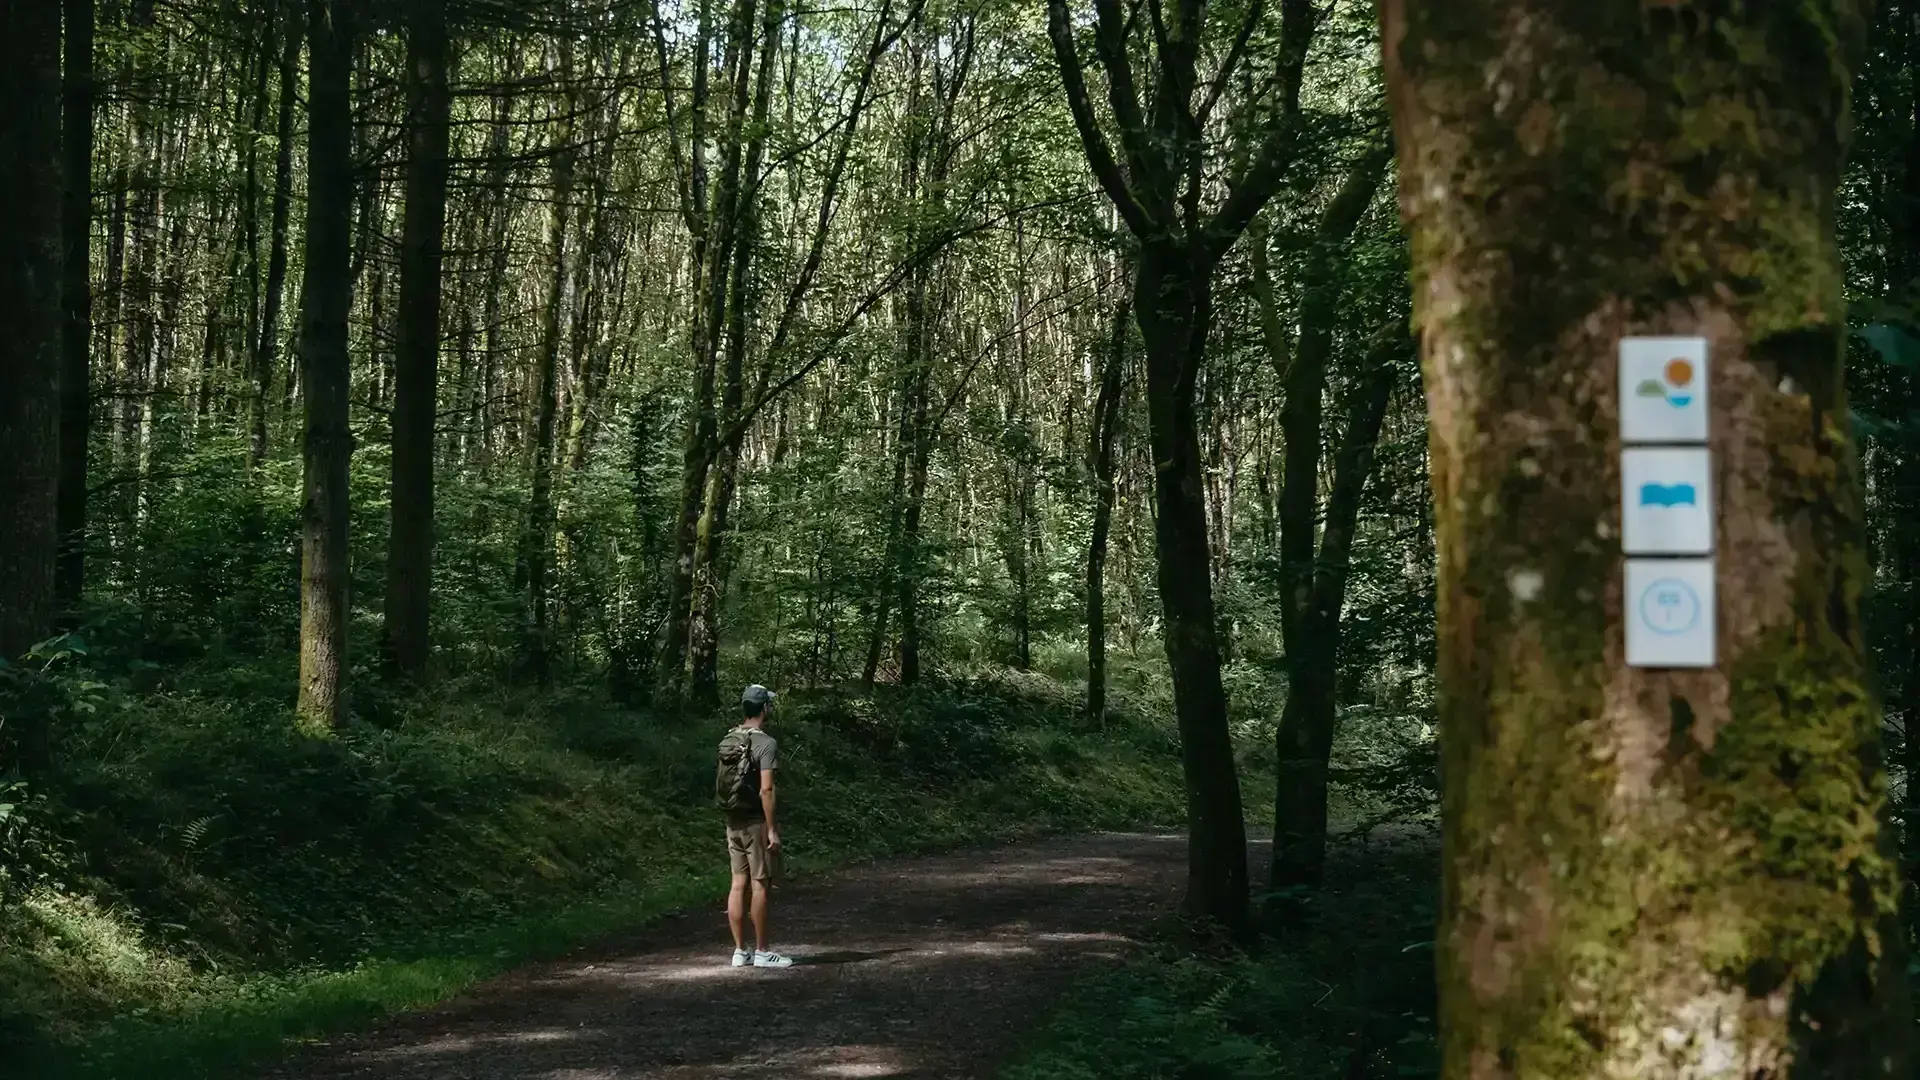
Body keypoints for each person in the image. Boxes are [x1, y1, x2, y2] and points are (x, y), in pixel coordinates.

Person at [718, 684, 792, 968]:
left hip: (732, 820)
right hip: (754, 822)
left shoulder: (729, 738)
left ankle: (739, 951)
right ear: (763, 709)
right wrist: (772, 829)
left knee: (738, 883)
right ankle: (762, 951)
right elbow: (767, 790)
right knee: (760, 884)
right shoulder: (765, 743)